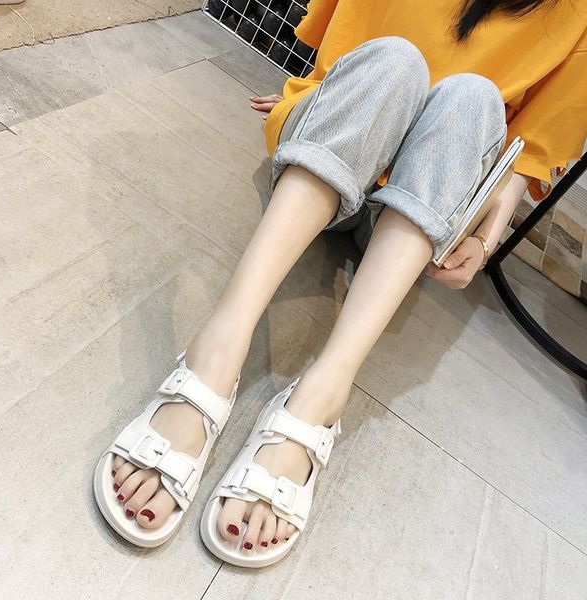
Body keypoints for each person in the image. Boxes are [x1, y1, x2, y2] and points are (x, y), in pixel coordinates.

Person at [93, 0, 587, 566]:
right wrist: (316, 101)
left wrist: (485, 241)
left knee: (474, 98)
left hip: (419, 204)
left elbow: (525, 158)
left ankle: (326, 388)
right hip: (339, 147)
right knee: (396, 61)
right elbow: (350, 50)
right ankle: (220, 344)